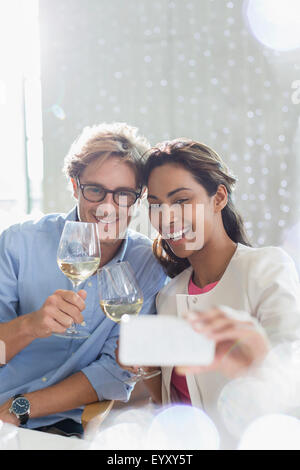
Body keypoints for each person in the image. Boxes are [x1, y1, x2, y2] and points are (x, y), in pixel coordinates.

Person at [0, 122, 167, 438]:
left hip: (60, 426)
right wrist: (30, 326)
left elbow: (115, 372)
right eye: (95, 190)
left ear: (138, 197)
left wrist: (19, 409)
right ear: (75, 186)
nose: (107, 206)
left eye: (123, 194)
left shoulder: (146, 263)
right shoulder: (18, 244)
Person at [130, 138, 300, 439]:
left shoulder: (266, 268)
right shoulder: (169, 297)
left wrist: (259, 356)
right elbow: (172, 405)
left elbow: (291, 384)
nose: (166, 218)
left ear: (218, 197)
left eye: (181, 200)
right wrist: (146, 366)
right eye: (155, 205)